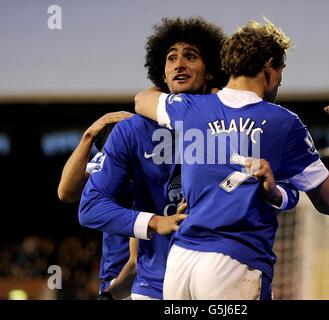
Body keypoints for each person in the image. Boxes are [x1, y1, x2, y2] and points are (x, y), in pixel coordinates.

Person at [79, 17, 300, 300]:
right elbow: (90, 206)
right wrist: (155, 222)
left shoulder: (240, 127)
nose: (179, 64)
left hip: (225, 272)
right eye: (171, 58)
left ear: (211, 72)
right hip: (154, 286)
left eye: (190, 57)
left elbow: (281, 191)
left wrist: (277, 194)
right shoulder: (132, 131)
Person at [134, 18, 329, 299]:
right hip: (234, 262)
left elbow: (142, 99)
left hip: (180, 265)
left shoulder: (188, 108)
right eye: (281, 71)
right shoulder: (284, 123)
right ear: (269, 67)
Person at [57, 111, 138, 299]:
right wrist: (89, 136)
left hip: (144, 279)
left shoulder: (153, 166)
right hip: (117, 278)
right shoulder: (107, 161)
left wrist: (111, 294)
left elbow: (135, 260)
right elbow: (66, 192)